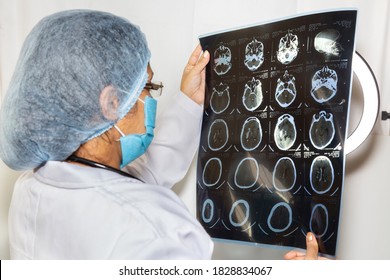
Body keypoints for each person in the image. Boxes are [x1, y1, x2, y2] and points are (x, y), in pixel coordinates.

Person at [0, 9, 322, 260]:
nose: (151, 98)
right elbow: (129, 203)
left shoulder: (33, 189)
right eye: (148, 86)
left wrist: (188, 104)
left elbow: (127, 182)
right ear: (112, 102)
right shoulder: (151, 234)